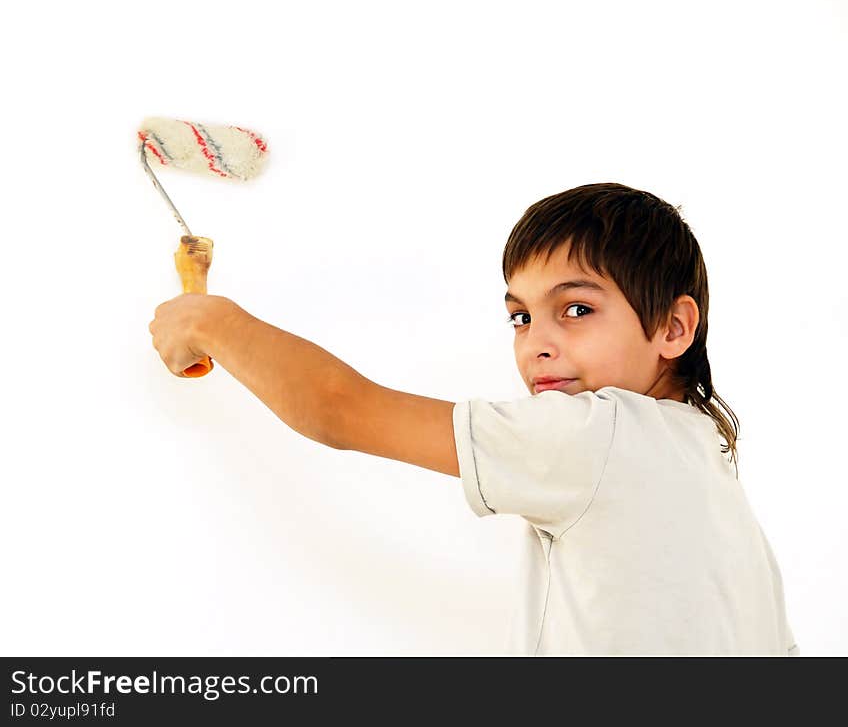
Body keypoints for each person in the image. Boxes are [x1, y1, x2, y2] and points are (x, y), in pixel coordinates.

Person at [149, 182, 799, 656]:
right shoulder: (709, 472)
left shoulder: (596, 434)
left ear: (673, 327)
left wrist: (210, 322)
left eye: (575, 310)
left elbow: (338, 408)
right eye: (521, 316)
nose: (535, 343)